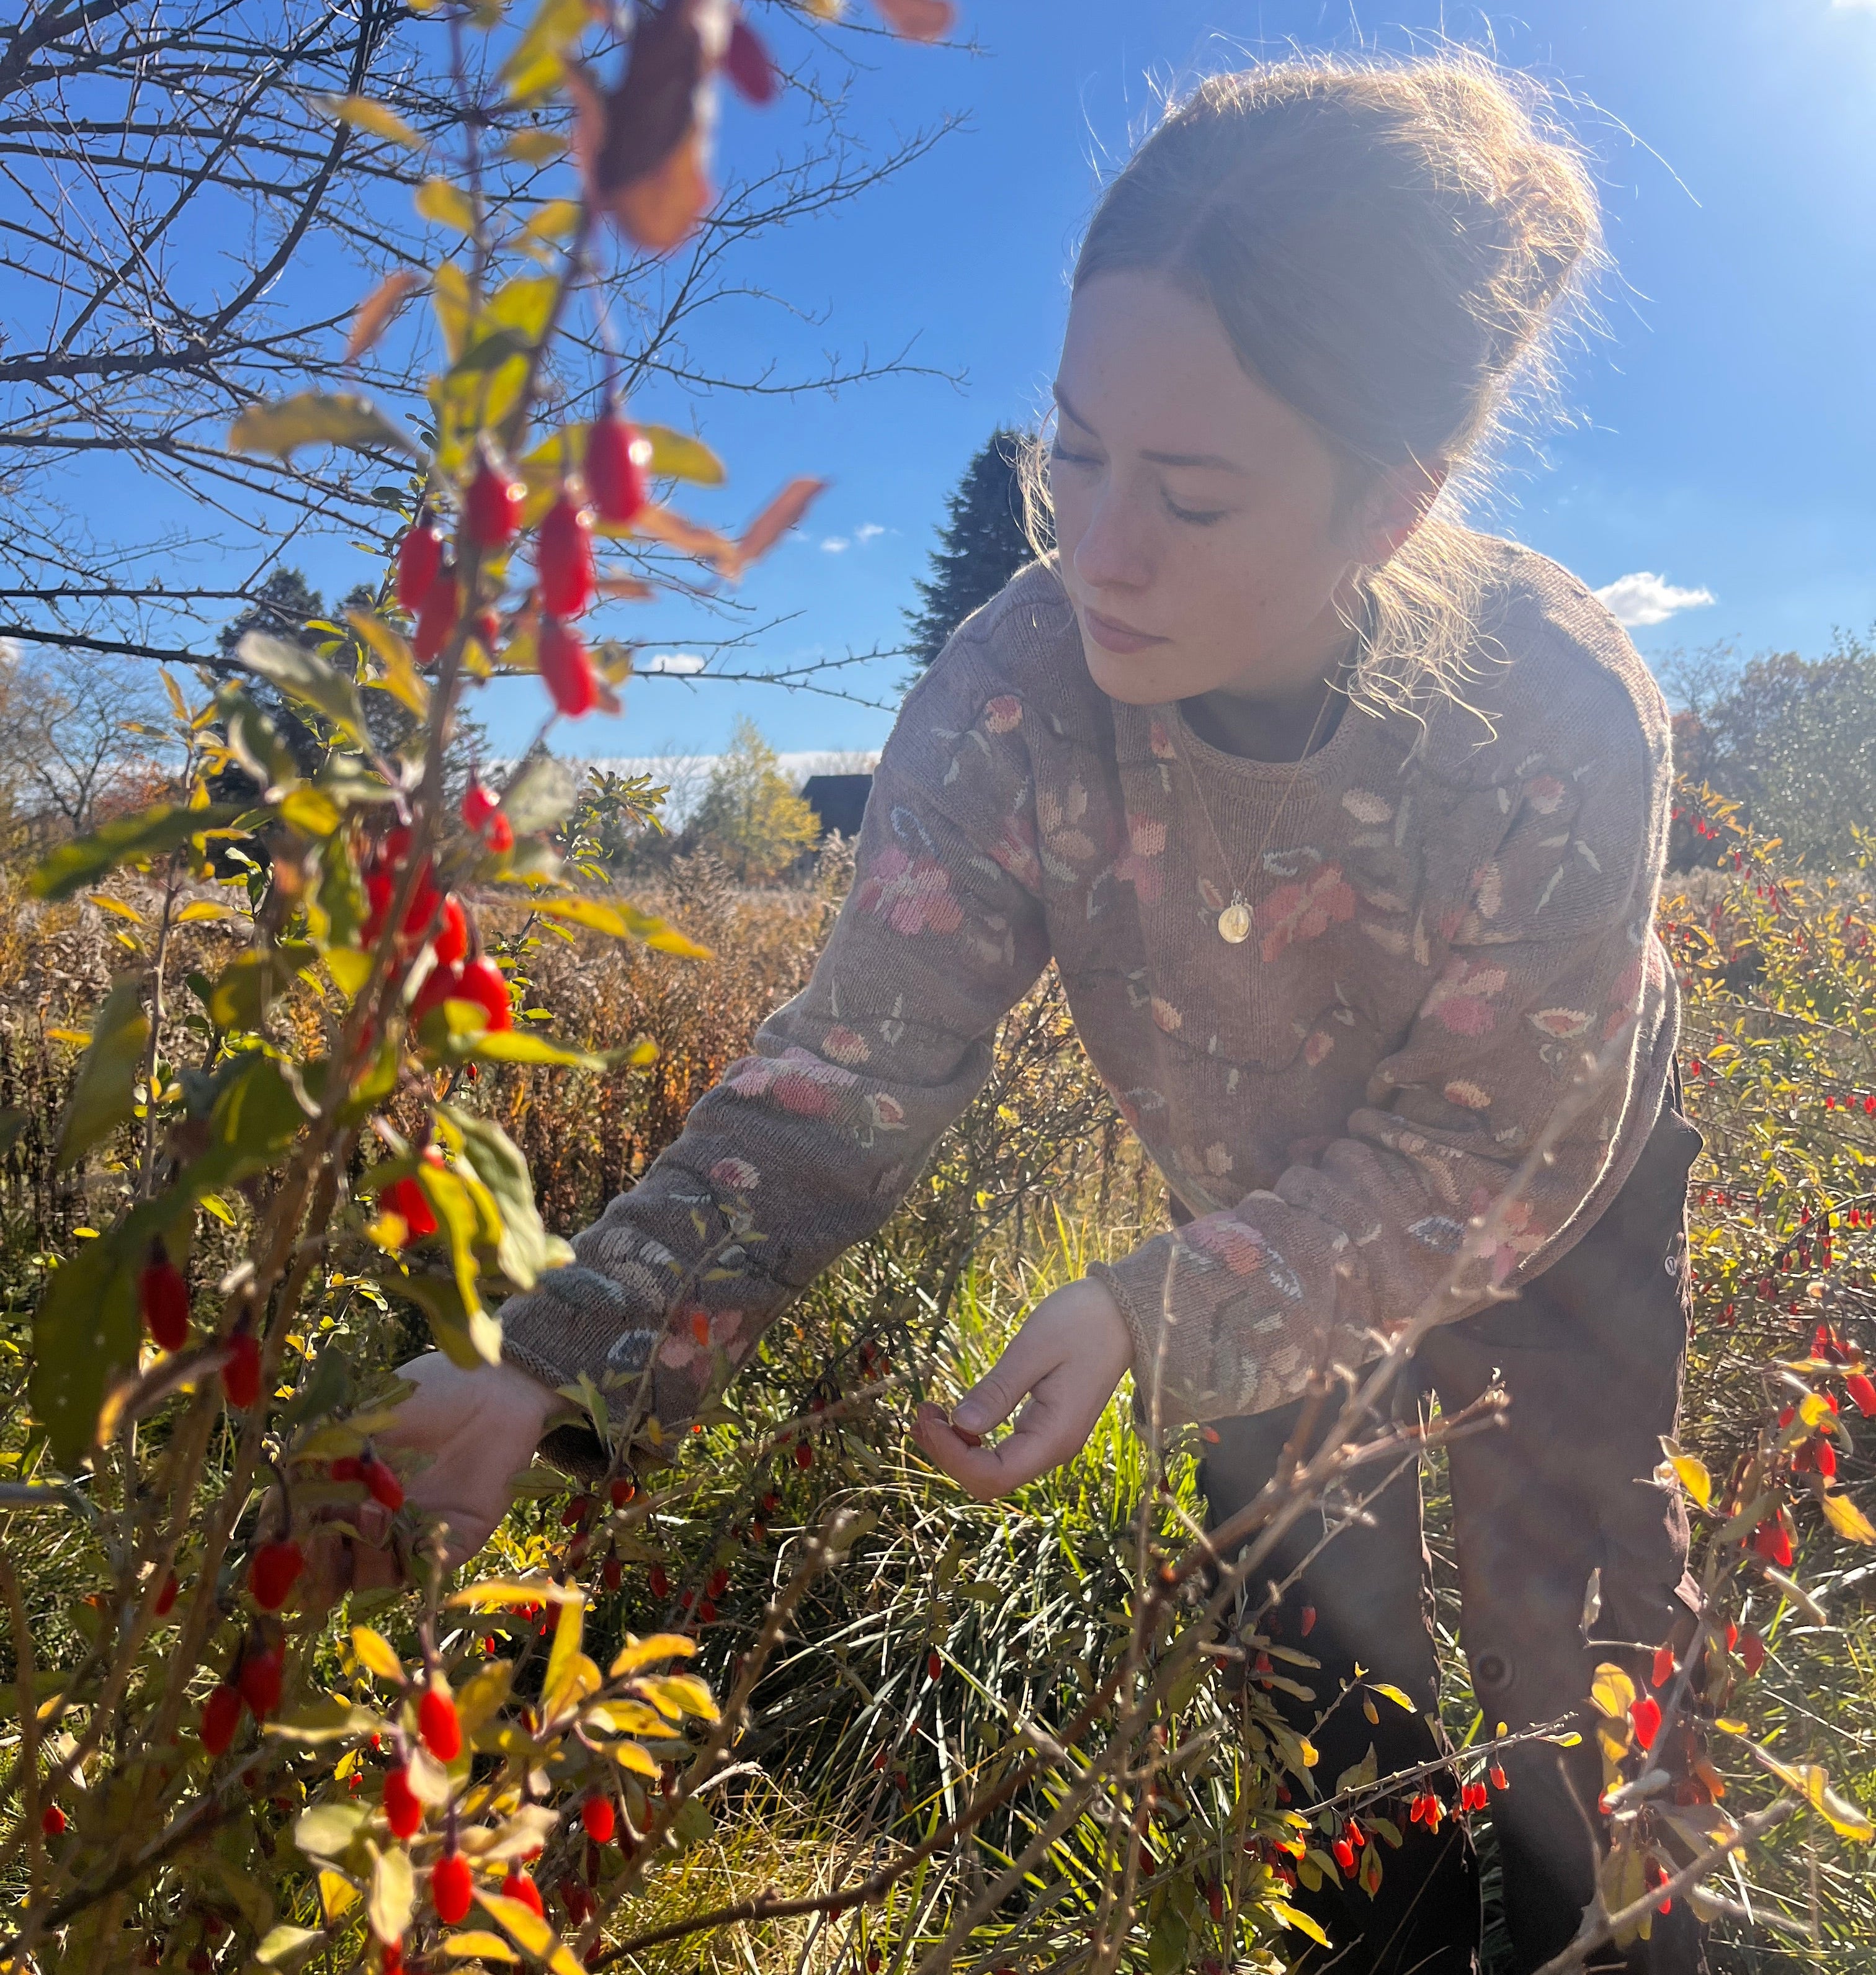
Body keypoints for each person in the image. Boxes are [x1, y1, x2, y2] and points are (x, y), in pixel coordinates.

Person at [372, 55, 1706, 1975]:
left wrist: (1152, 1307)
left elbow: (1488, 1157)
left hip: (1552, 1206)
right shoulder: (1018, 699)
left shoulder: (1553, 713)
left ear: (1395, 505)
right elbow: (851, 1071)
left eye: (1189, 491)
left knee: (1572, 1659)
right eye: (1072, 454)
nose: (1100, 548)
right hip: (1237, 1204)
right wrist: (557, 1357)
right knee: (1318, 1682)